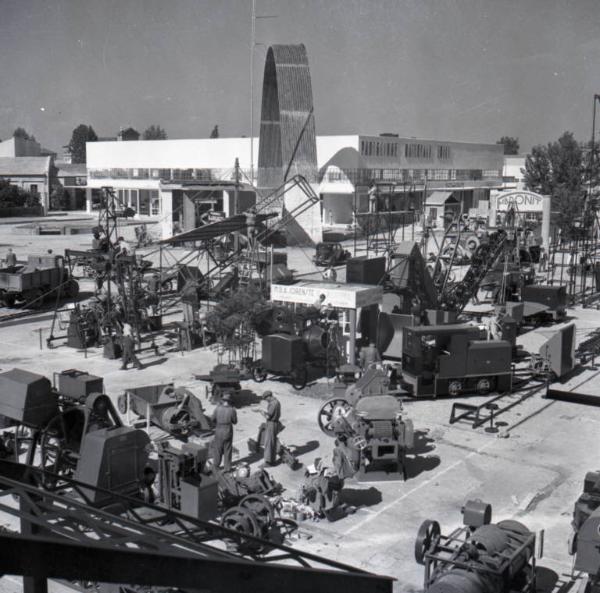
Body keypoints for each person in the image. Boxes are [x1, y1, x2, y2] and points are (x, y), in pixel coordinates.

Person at [211, 391, 237, 472]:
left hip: (219, 429)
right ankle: (227, 467)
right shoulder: (232, 410)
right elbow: (235, 421)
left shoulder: (217, 408)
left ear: (223, 400)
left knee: (218, 449)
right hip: (228, 430)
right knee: (228, 449)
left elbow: (212, 419)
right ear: (230, 401)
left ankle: (216, 465)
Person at [257, 391, 282, 466]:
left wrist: (260, 411)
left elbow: (268, 416)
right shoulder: (277, 402)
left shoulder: (272, 404)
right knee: (272, 442)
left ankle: (269, 462)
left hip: (271, 423)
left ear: (269, 396)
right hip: (275, 423)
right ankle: (272, 459)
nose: (266, 400)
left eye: (266, 398)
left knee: (269, 443)